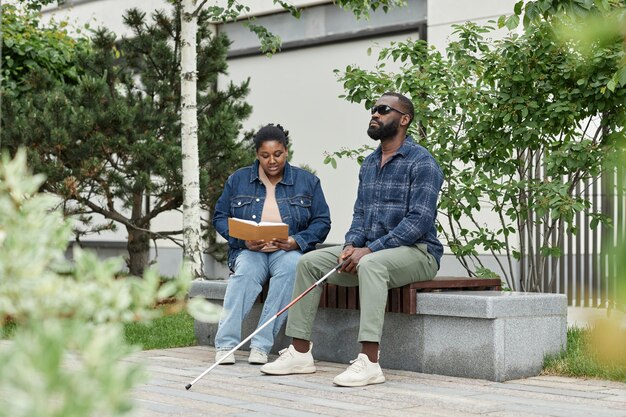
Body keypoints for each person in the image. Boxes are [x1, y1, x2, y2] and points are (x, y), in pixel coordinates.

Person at [260, 92, 444, 387]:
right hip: (371, 251)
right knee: (308, 262)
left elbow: (419, 222)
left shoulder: (422, 163)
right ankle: (300, 352)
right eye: (374, 109)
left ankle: (370, 362)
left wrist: (369, 249)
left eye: (383, 110)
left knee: (371, 264)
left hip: (418, 252)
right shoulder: (369, 164)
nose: (375, 114)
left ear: (404, 119)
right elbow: (360, 215)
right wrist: (349, 246)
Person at [212, 123, 331, 366]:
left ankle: (261, 345)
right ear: (257, 155)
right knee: (244, 273)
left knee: (292, 268)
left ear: (286, 151)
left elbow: (322, 221)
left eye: (277, 154)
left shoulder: (307, 182)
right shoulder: (238, 180)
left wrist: (295, 241)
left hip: (286, 251)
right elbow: (219, 217)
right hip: (250, 250)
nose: (272, 161)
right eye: (265, 156)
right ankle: (225, 344)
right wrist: (243, 240)